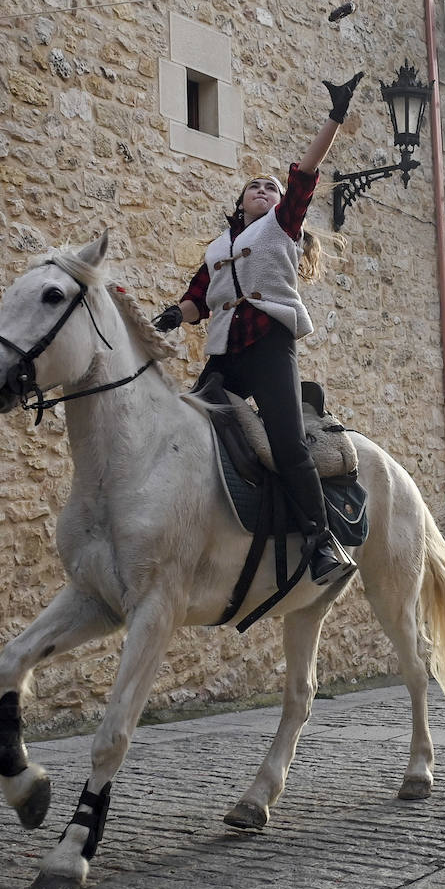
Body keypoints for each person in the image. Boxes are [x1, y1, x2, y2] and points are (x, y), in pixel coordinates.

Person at [153, 71, 365, 586]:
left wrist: (334, 117)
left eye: (270, 187)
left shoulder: (282, 227)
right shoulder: (216, 248)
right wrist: (171, 315)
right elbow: (197, 299)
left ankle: (322, 540)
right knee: (182, 425)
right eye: (255, 186)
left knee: (288, 443)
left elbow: (305, 174)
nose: (265, 190)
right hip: (226, 353)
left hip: (269, 345)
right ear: (241, 202)